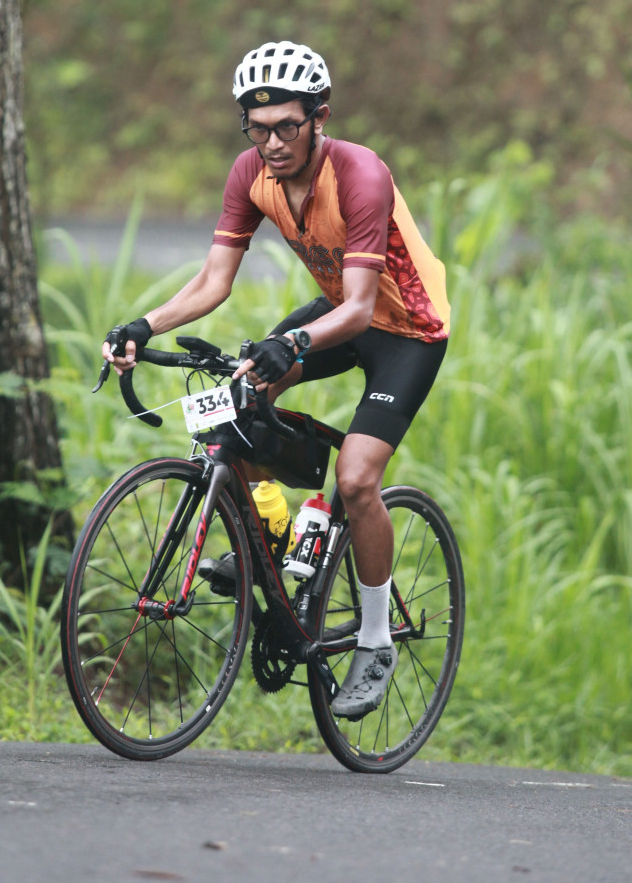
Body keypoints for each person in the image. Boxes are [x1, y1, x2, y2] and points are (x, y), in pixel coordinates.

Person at [103, 39, 450, 720]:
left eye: (288, 126)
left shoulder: (360, 174)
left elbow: (361, 308)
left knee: (357, 478)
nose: (272, 143)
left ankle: (374, 641)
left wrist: (289, 342)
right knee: (236, 399)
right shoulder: (251, 174)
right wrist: (144, 325)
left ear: (320, 118)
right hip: (339, 313)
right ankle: (277, 535)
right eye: (258, 128)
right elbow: (214, 280)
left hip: (406, 329)